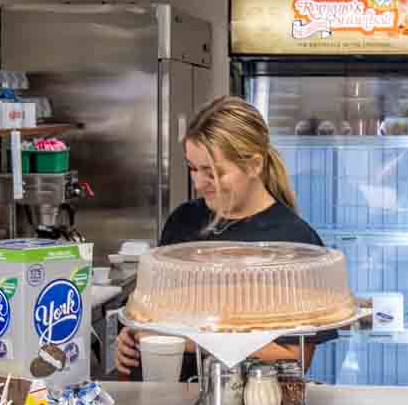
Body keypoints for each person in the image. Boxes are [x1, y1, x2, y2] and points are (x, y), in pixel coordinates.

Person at [114, 96, 326, 374]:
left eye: (213, 173)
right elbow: (153, 314)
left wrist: (186, 341)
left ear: (254, 165)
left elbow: (294, 359)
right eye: (192, 169)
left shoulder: (295, 242)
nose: (199, 184)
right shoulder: (183, 222)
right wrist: (130, 338)